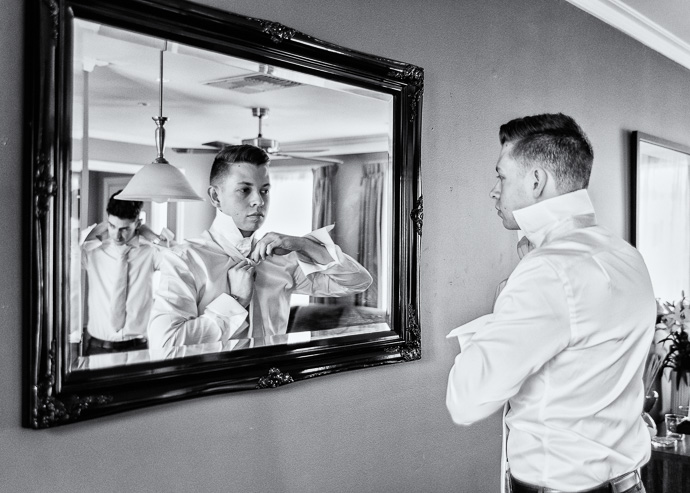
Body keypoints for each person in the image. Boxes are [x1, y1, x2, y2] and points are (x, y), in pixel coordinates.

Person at [445, 113, 655, 493]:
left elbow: (466, 399)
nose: (494, 190)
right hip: (629, 484)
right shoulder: (627, 256)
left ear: (537, 180)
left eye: (502, 176)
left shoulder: (546, 272)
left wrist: (505, 301)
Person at [148, 144, 372, 348]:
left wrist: (304, 245)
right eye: (244, 190)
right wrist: (235, 302)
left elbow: (358, 282)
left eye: (264, 190)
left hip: (278, 384)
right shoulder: (184, 259)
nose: (259, 201)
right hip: (215, 392)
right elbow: (166, 348)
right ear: (216, 197)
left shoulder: (282, 258)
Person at [80, 190, 173, 356]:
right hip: (98, 348)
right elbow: (67, 250)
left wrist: (153, 236)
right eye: (112, 226)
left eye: (124, 229)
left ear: (138, 223)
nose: (117, 235)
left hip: (139, 348)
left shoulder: (150, 253)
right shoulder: (92, 252)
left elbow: (178, 261)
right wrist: (101, 229)